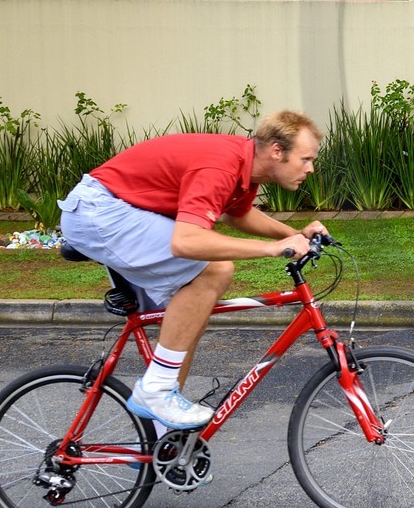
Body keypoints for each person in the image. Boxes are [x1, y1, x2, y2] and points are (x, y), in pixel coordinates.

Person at [59, 110, 329, 430]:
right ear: (276, 151)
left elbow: (238, 215)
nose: (310, 168)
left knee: (189, 320)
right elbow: (186, 242)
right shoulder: (220, 165)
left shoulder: (245, 169)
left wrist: (293, 235)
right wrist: (270, 248)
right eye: (306, 158)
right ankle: (156, 390)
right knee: (214, 271)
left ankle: (162, 436)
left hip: (119, 211)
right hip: (99, 213)